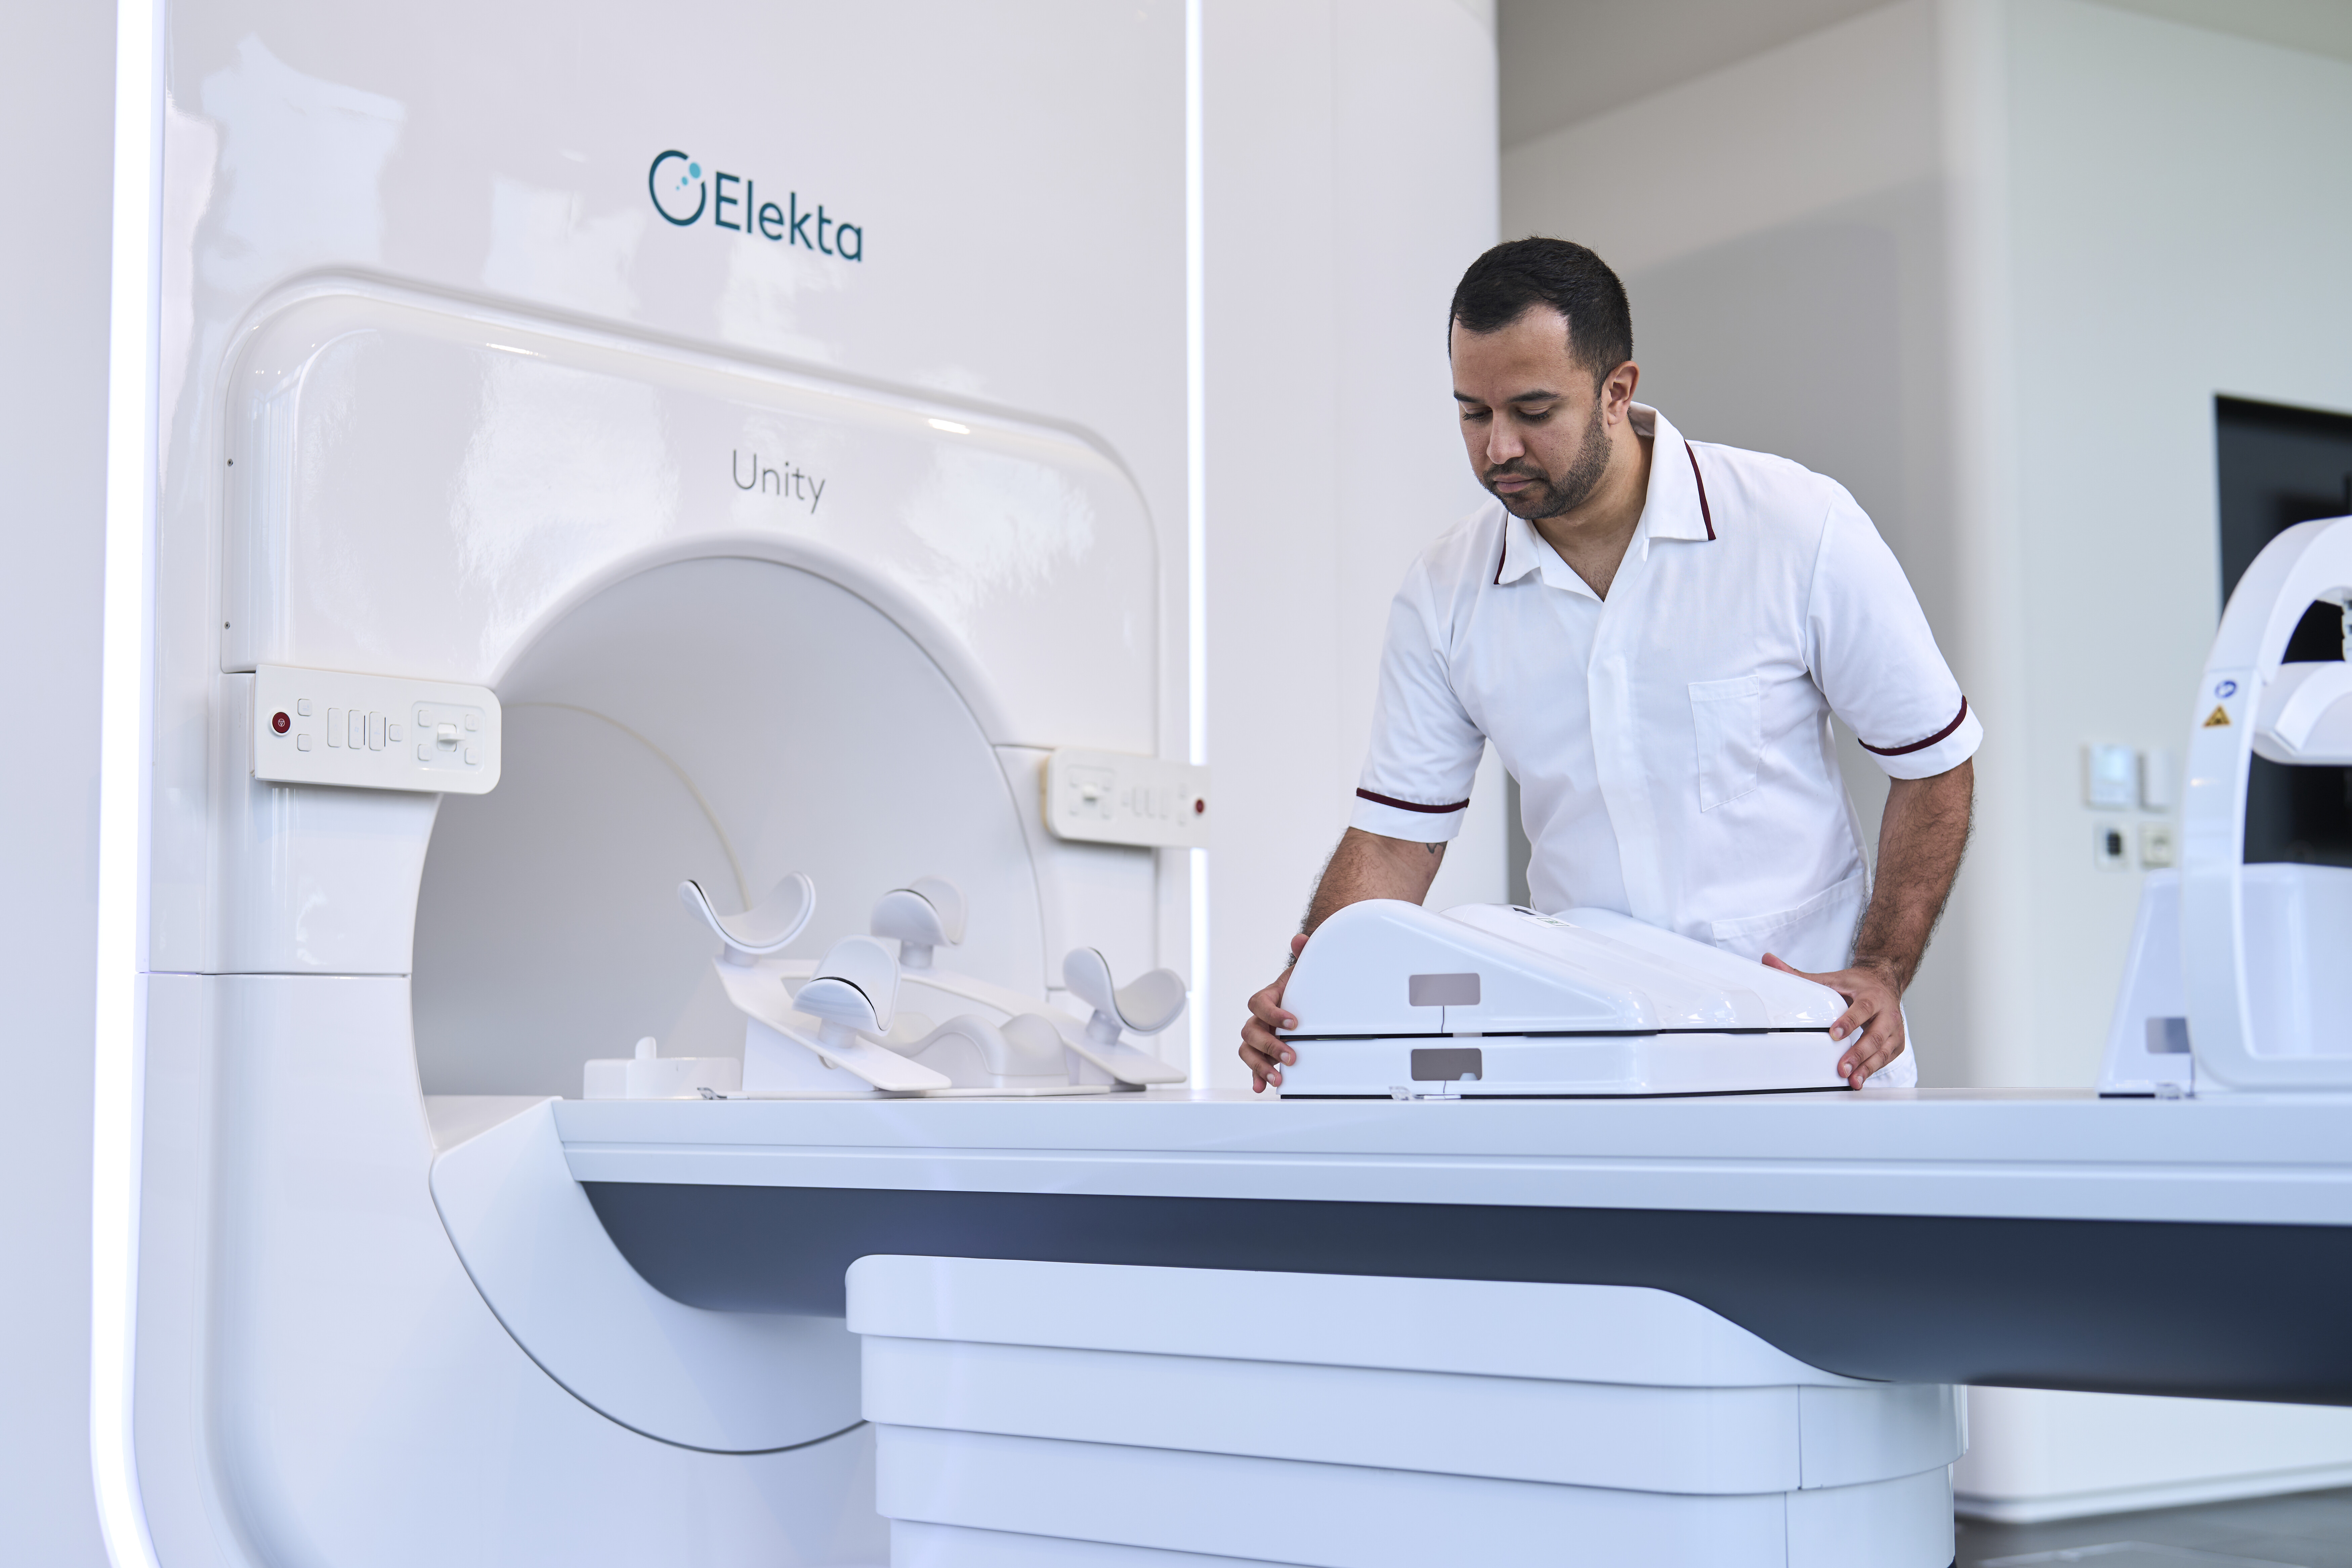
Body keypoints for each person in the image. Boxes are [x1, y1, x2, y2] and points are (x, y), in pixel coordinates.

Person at [1240, 238, 1977, 1094]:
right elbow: (1397, 838)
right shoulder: (1444, 591)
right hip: (1588, 1062)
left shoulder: (1795, 527)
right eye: (1472, 415)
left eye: (1531, 409)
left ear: (1616, 393)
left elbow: (1932, 761)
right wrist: (1313, 991)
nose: (1498, 447)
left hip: (1807, 1051)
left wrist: (1883, 966)